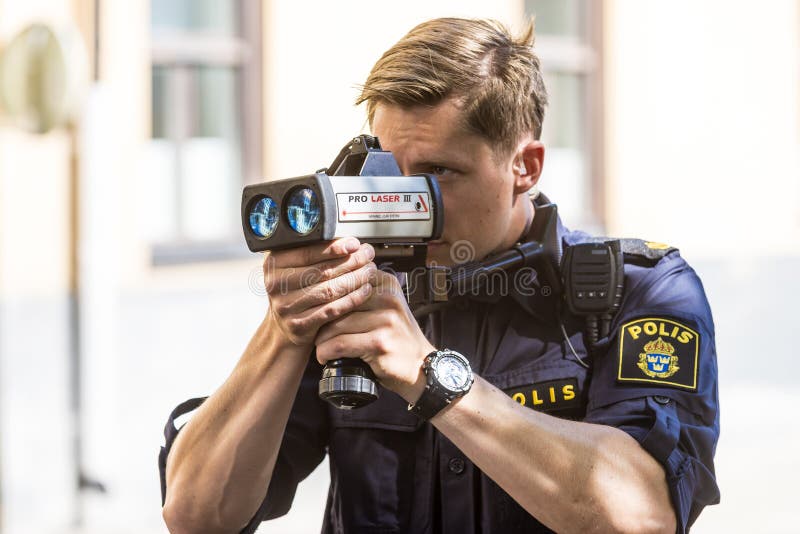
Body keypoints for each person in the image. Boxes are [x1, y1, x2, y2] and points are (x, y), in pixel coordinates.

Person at [159, 17, 719, 534]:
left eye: (437, 173)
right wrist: (284, 330)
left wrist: (434, 380)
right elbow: (197, 515)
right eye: (387, 171)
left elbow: (644, 513)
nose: (399, 202)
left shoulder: (634, 289)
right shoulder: (361, 286)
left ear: (525, 166)